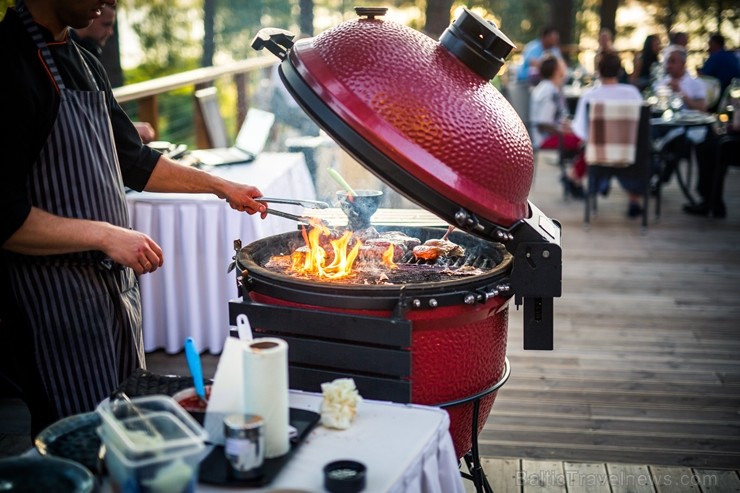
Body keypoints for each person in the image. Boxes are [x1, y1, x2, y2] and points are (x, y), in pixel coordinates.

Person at [0, 0, 268, 435]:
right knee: (80, 436)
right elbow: (5, 218)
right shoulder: (9, 66)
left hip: (111, 291)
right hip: (50, 301)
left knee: (123, 425)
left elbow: (137, 162)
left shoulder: (83, 60)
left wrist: (223, 187)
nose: (109, 2)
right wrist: (106, 235)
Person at [572, 52, 645, 218]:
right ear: (620, 71)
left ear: (598, 71)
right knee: (640, 149)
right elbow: (641, 129)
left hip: (599, 157)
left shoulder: (590, 96)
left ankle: (596, 187)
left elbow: (581, 131)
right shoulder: (632, 93)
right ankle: (634, 200)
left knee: (589, 146)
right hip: (630, 158)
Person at [71, 4, 155, 143]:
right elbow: (82, 124)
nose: (110, 32)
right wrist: (129, 130)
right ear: (91, 16)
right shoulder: (73, 60)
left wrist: (128, 129)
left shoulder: (87, 59)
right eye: (106, 24)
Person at [530, 55, 585, 197]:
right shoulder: (549, 91)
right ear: (556, 70)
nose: (564, 66)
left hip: (550, 135)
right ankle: (574, 179)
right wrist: (564, 130)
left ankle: (573, 177)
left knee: (585, 140)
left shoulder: (550, 88)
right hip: (545, 138)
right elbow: (544, 122)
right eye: (561, 64)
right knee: (588, 142)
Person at [698, 33, 740, 100]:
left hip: (718, 97)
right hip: (734, 96)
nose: (708, 48)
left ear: (715, 44)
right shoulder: (733, 56)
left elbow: (702, 76)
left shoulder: (715, 57)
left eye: (710, 44)